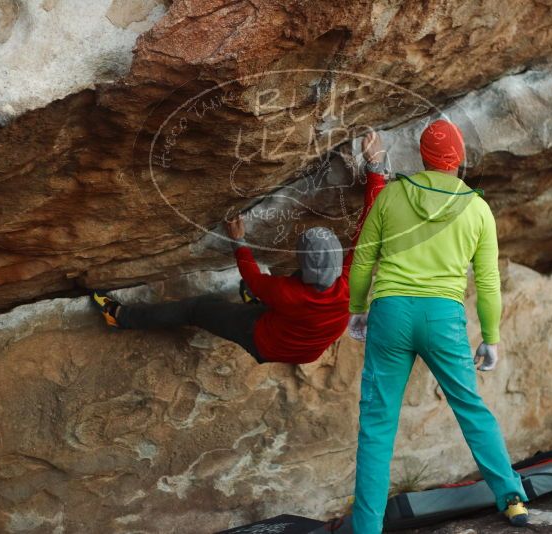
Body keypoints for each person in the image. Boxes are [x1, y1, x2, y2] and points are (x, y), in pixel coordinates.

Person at [346, 119, 529, 532]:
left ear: (423, 157)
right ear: (459, 159)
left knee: (377, 423)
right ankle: (512, 498)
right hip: (442, 317)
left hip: (390, 312)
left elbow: (362, 260)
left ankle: (367, 527)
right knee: (470, 407)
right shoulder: (478, 209)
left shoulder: (392, 195)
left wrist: (357, 309)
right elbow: (487, 283)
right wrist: (492, 338)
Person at [90, 132, 387, 365]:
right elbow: (372, 224)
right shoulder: (352, 280)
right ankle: (256, 306)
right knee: (272, 298)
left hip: (265, 341)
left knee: (197, 309)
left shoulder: (285, 292)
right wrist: (376, 167)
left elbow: (253, 277)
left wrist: (238, 239)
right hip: (308, 349)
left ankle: (120, 317)